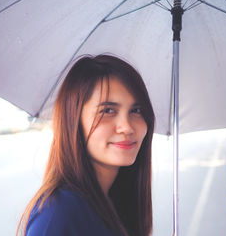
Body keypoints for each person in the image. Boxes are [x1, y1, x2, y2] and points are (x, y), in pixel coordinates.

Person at [18, 54, 155, 236]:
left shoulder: (117, 200)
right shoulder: (59, 212)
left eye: (136, 111)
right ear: (74, 120)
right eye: (108, 110)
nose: (127, 127)